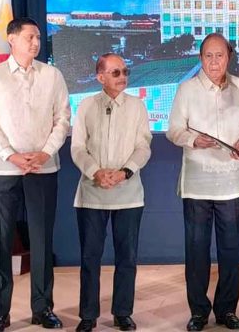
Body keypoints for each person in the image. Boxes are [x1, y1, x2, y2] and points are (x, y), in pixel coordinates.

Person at [0, 17, 70, 332]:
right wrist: (11, 155)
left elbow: (63, 119)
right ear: (11, 39)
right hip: (4, 170)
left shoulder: (53, 76)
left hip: (43, 169)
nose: (35, 42)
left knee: (42, 240)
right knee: (1, 241)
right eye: (30, 37)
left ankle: (43, 309)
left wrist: (44, 153)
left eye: (38, 38)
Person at [166, 33, 239, 331]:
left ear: (228, 57)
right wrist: (194, 139)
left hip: (231, 181)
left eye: (220, 55)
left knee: (231, 249)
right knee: (197, 248)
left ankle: (227, 310)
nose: (214, 61)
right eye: (208, 55)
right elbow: (174, 131)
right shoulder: (186, 89)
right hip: (197, 181)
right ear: (200, 58)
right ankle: (198, 311)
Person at [70, 53, 152, 332]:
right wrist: (96, 171)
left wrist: (124, 172)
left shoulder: (138, 106)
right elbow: (78, 148)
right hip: (92, 193)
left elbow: (143, 147)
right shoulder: (86, 106)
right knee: (90, 258)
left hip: (128, 193)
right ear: (100, 76)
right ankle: (88, 315)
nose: (123, 77)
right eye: (116, 72)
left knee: (127, 257)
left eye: (125, 72)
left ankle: (122, 313)